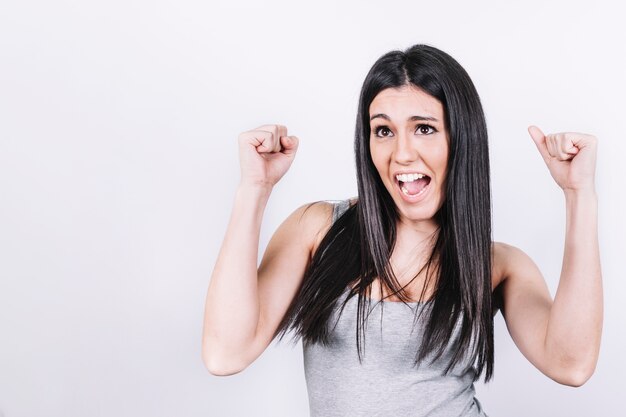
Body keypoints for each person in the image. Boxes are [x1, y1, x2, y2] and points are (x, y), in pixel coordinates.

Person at [201, 44, 603, 416]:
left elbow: (571, 364)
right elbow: (225, 353)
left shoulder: (497, 265)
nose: (402, 153)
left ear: (460, 139)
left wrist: (578, 193)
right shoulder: (319, 230)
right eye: (383, 130)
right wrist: (255, 188)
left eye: (424, 128)